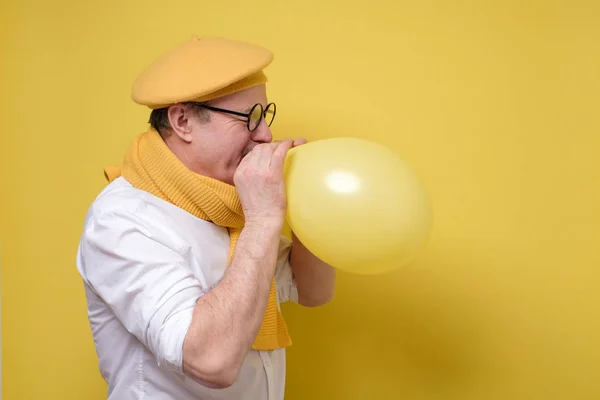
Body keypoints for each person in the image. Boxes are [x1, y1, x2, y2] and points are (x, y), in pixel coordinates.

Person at [75, 35, 336, 400]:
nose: (266, 134)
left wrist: (309, 199)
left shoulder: (225, 200)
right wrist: (262, 219)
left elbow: (314, 290)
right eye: (250, 118)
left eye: (265, 114)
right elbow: (212, 361)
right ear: (183, 121)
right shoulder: (121, 221)